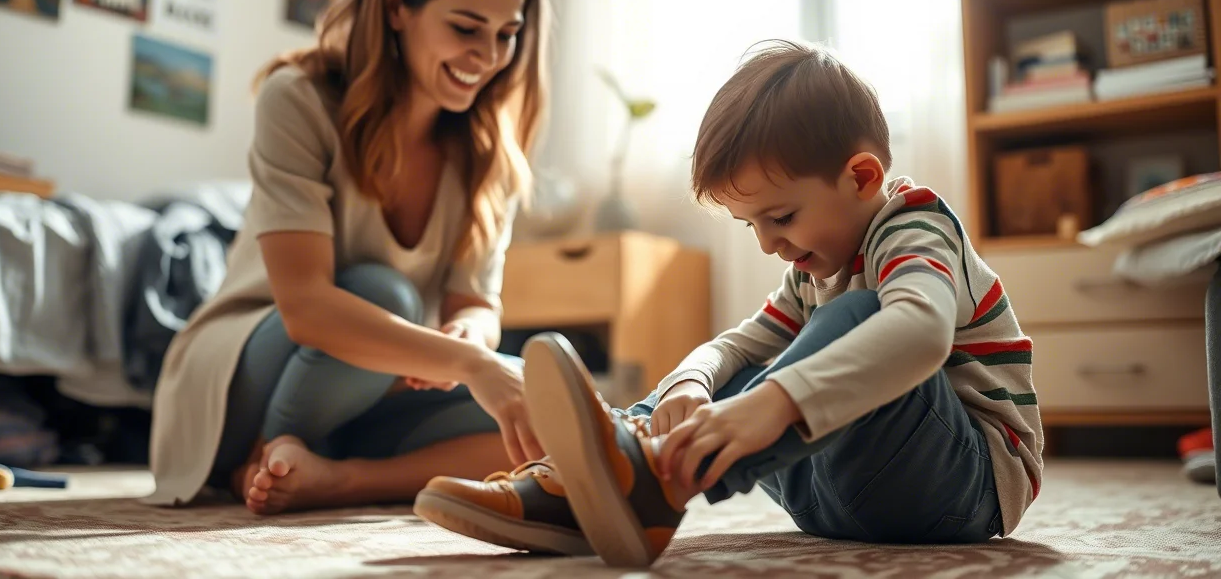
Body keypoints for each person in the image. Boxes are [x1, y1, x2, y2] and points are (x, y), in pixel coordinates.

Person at [415, 40, 1043, 566]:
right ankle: (599, 472)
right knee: (741, 372)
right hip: (833, 496)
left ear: (862, 177)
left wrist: (771, 403)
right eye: (752, 226)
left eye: (781, 217)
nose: (769, 243)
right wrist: (690, 385)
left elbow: (920, 332)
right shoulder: (811, 268)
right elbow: (738, 345)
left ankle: (648, 479)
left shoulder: (914, 228)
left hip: (961, 488)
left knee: (854, 324)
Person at [145, 0, 550, 515]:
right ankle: (265, 453)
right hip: (236, 383)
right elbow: (307, 307)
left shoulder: (488, 155)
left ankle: (338, 478)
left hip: (367, 394)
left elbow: (475, 302)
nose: (489, 57)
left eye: (506, 35)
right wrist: (469, 361)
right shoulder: (297, 99)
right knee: (386, 295)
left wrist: (470, 333)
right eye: (466, 28)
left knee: (546, 410)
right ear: (396, 6)